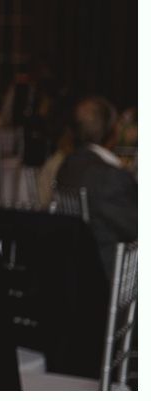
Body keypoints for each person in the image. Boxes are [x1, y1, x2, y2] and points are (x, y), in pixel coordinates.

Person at [54, 96, 137, 281]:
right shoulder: (108, 177)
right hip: (114, 278)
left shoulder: (68, 165)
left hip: (78, 271)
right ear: (113, 130)